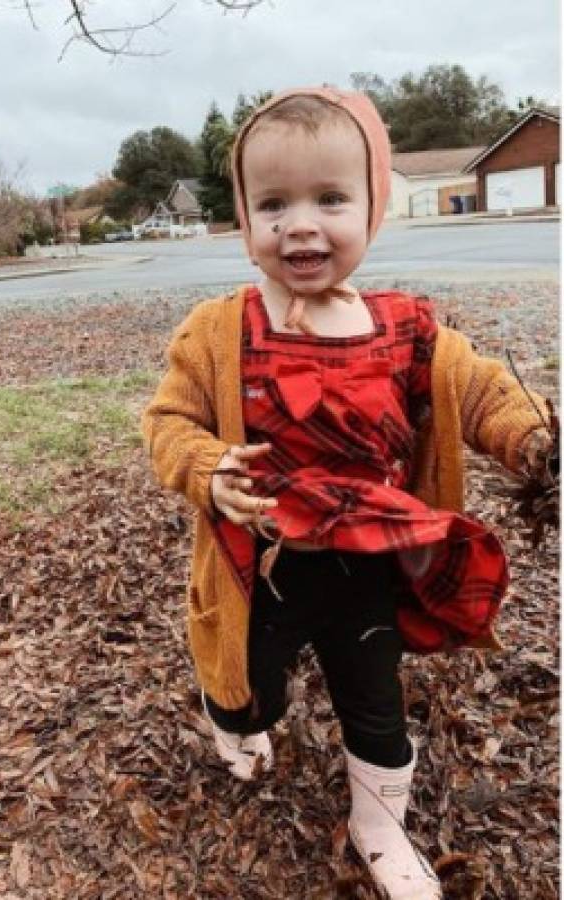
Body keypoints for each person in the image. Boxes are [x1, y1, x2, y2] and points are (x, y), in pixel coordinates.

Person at [141, 86, 551, 899]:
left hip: (367, 560)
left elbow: (478, 393)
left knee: (374, 702)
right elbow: (167, 420)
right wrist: (206, 468)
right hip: (259, 563)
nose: (300, 223)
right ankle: (238, 714)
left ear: (373, 208)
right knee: (249, 691)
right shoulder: (218, 331)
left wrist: (534, 442)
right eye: (273, 202)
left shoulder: (406, 328)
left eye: (330, 198)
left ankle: (379, 827)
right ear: (243, 217)